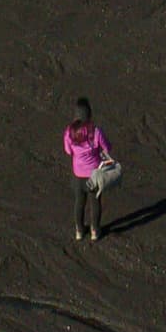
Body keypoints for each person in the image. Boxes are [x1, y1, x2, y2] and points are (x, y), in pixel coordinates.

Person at [63, 96, 118, 242]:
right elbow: (107, 148)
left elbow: (68, 151)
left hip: (78, 176)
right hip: (94, 174)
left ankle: (79, 231)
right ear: (89, 114)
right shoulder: (96, 131)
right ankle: (95, 230)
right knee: (95, 202)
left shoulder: (69, 132)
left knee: (79, 202)